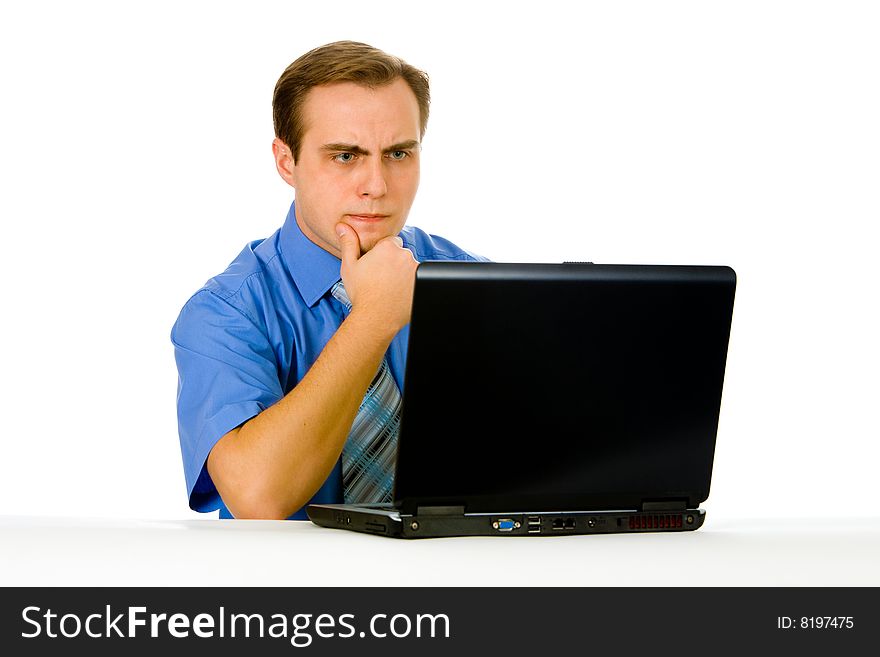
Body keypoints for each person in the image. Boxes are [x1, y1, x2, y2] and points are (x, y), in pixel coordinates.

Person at [171, 41, 487, 520]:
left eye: (399, 153)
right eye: (345, 156)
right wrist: (374, 319)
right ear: (286, 162)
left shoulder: (474, 285)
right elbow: (259, 498)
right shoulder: (225, 312)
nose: (377, 185)